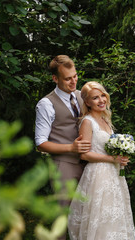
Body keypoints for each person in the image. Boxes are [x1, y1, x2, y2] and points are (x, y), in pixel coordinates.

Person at [68, 81, 135, 240]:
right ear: (87, 102)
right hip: (98, 175)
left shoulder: (106, 120)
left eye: (102, 96)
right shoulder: (87, 122)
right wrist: (113, 158)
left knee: (114, 213)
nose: (101, 100)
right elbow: (84, 155)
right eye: (95, 98)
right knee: (100, 216)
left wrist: (121, 158)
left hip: (113, 174)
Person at [35, 55, 91, 209]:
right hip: (63, 165)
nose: (73, 82)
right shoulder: (46, 104)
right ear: (55, 78)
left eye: (75, 76)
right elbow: (40, 143)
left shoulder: (83, 96)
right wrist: (71, 148)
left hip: (87, 163)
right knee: (62, 212)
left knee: (86, 213)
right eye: (67, 79)